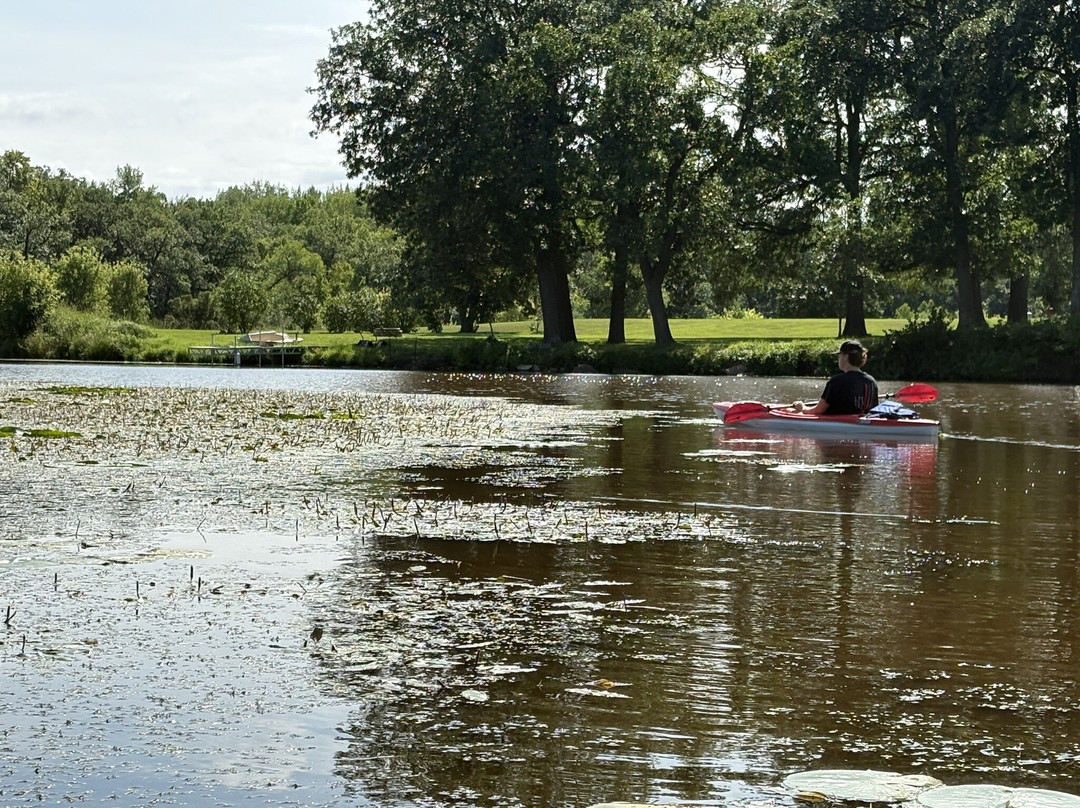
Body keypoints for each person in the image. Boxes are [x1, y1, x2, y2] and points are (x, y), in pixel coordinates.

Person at [791, 339, 879, 415]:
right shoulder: (871, 382)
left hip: (838, 424)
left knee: (791, 411)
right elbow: (874, 411)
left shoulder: (836, 381)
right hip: (862, 424)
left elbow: (817, 411)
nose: (838, 359)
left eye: (839, 355)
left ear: (846, 357)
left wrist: (802, 407)